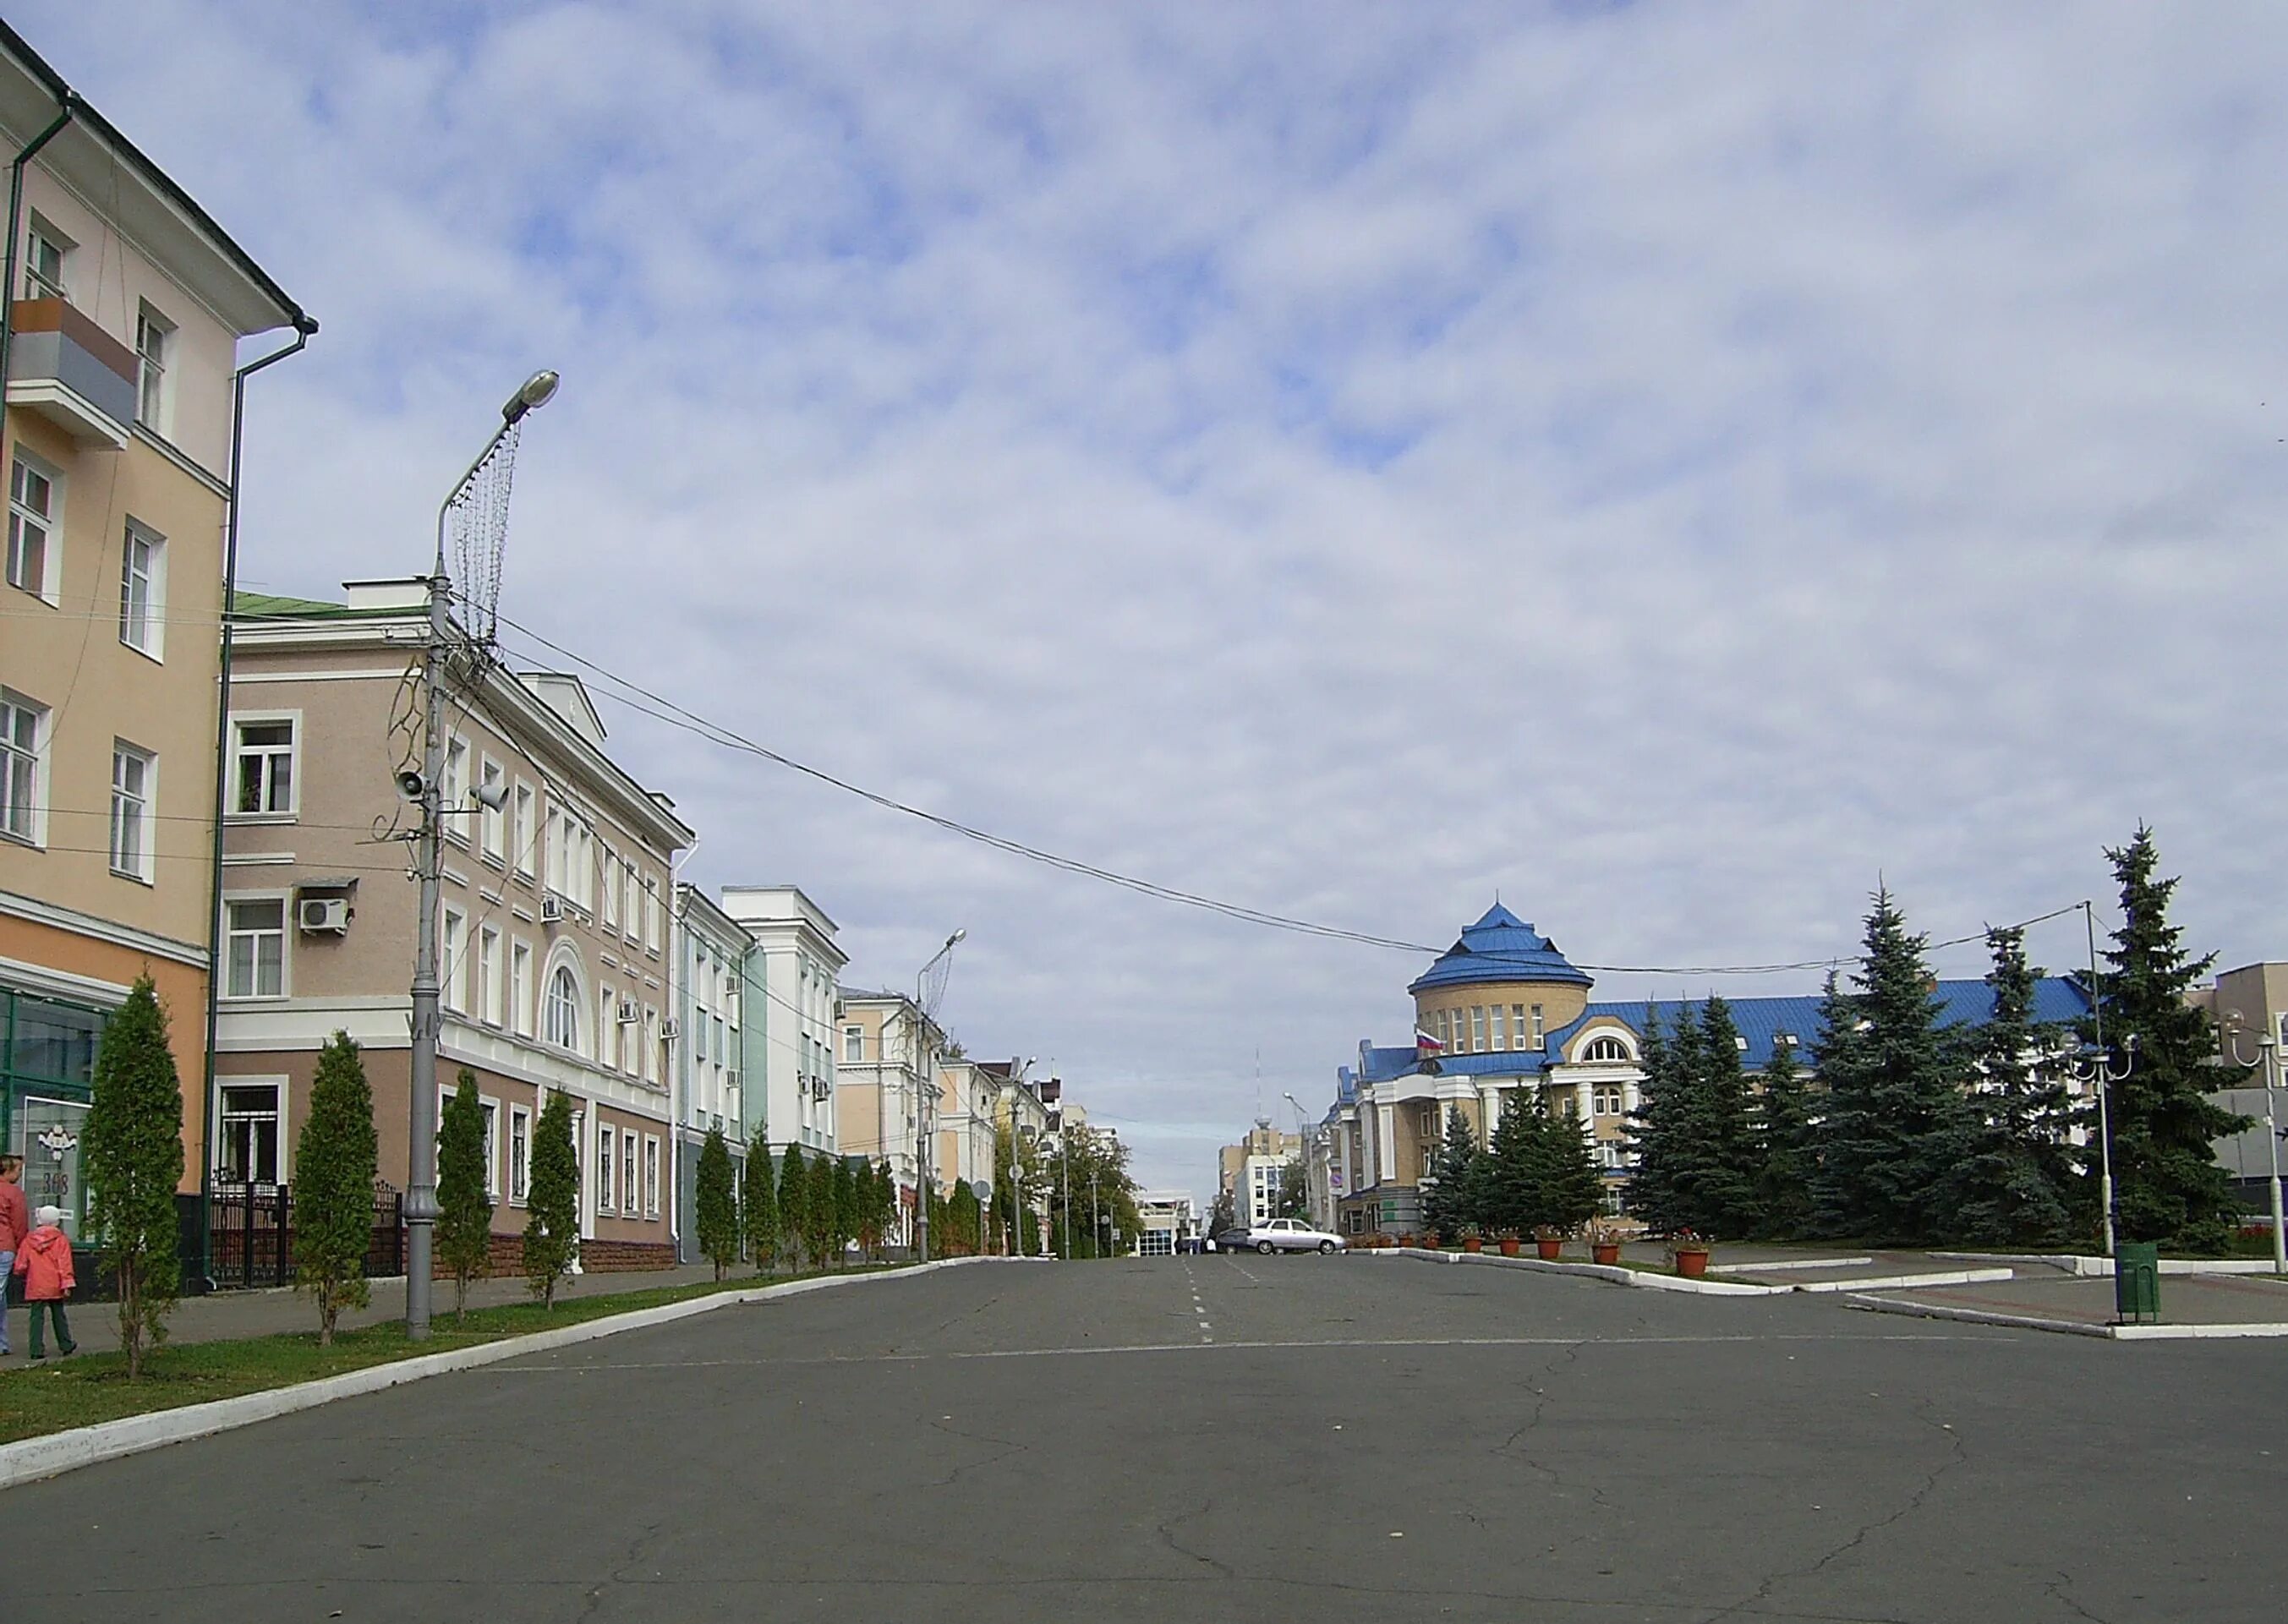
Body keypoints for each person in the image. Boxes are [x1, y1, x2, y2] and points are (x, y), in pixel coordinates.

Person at [13, 1205, 76, 1359]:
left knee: (36, 1317)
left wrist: (20, 1271)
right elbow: (65, 1263)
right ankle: (66, 1344)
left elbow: (21, 1265)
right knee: (58, 1315)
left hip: (36, 1283)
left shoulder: (29, 1240)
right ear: (57, 1222)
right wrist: (67, 1283)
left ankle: (36, 1349)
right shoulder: (61, 1240)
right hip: (55, 1283)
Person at [0, 1155, 26, 1357]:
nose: (19, 1174)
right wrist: (22, 1248)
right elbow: (19, 1224)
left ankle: (3, 1343)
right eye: (17, 1170)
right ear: (7, 1171)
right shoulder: (13, 1193)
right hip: (4, 1246)